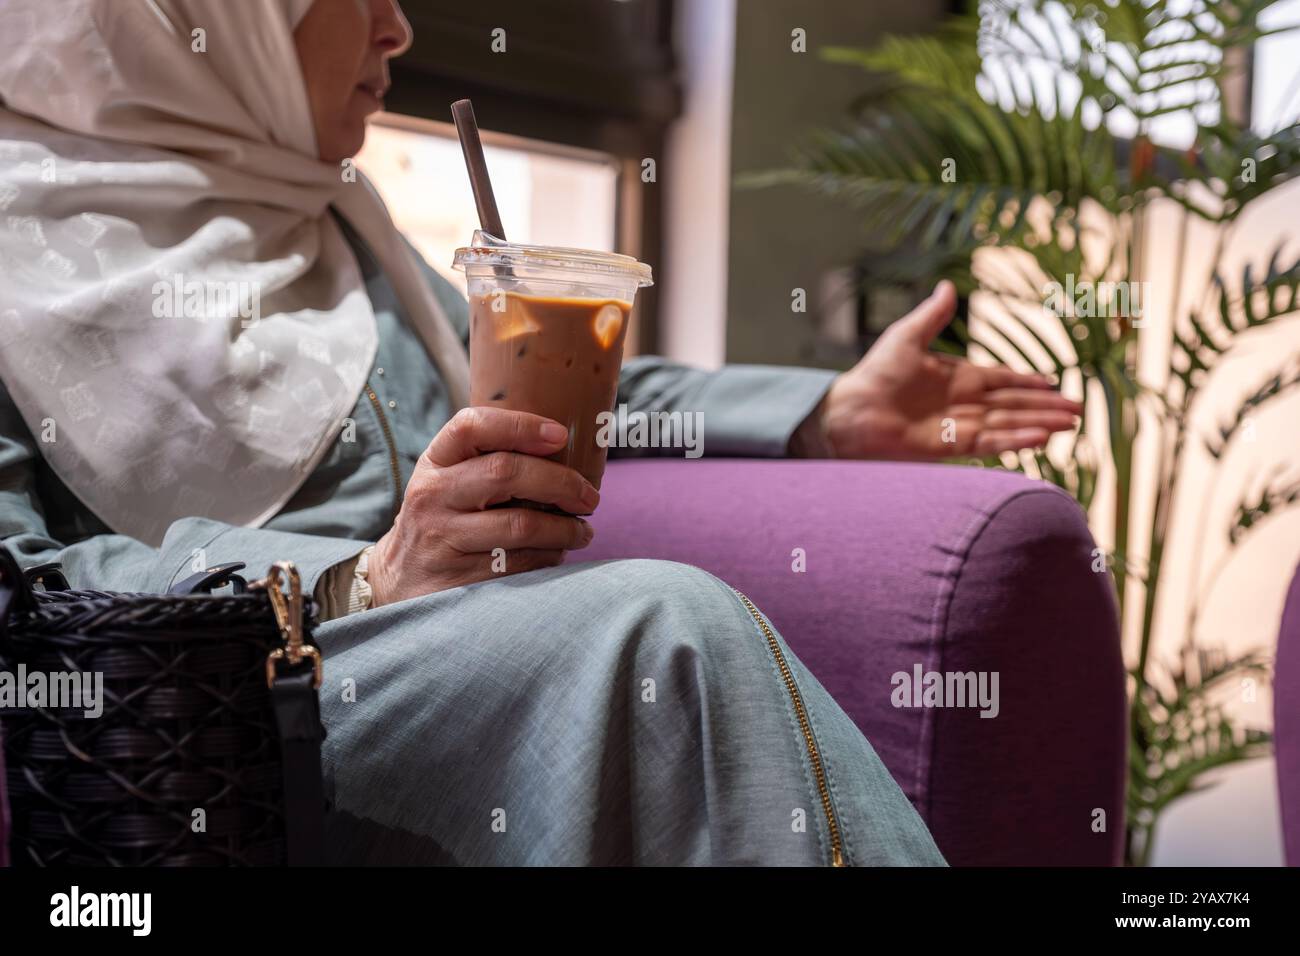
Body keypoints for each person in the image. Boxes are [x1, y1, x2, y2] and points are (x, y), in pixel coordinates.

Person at [0, 0, 1079, 865]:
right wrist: (354, 580)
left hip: (450, 656)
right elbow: (25, 580)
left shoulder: (337, 226)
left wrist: (820, 415)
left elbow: (545, 388)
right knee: (660, 626)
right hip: (225, 712)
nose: (398, 28)